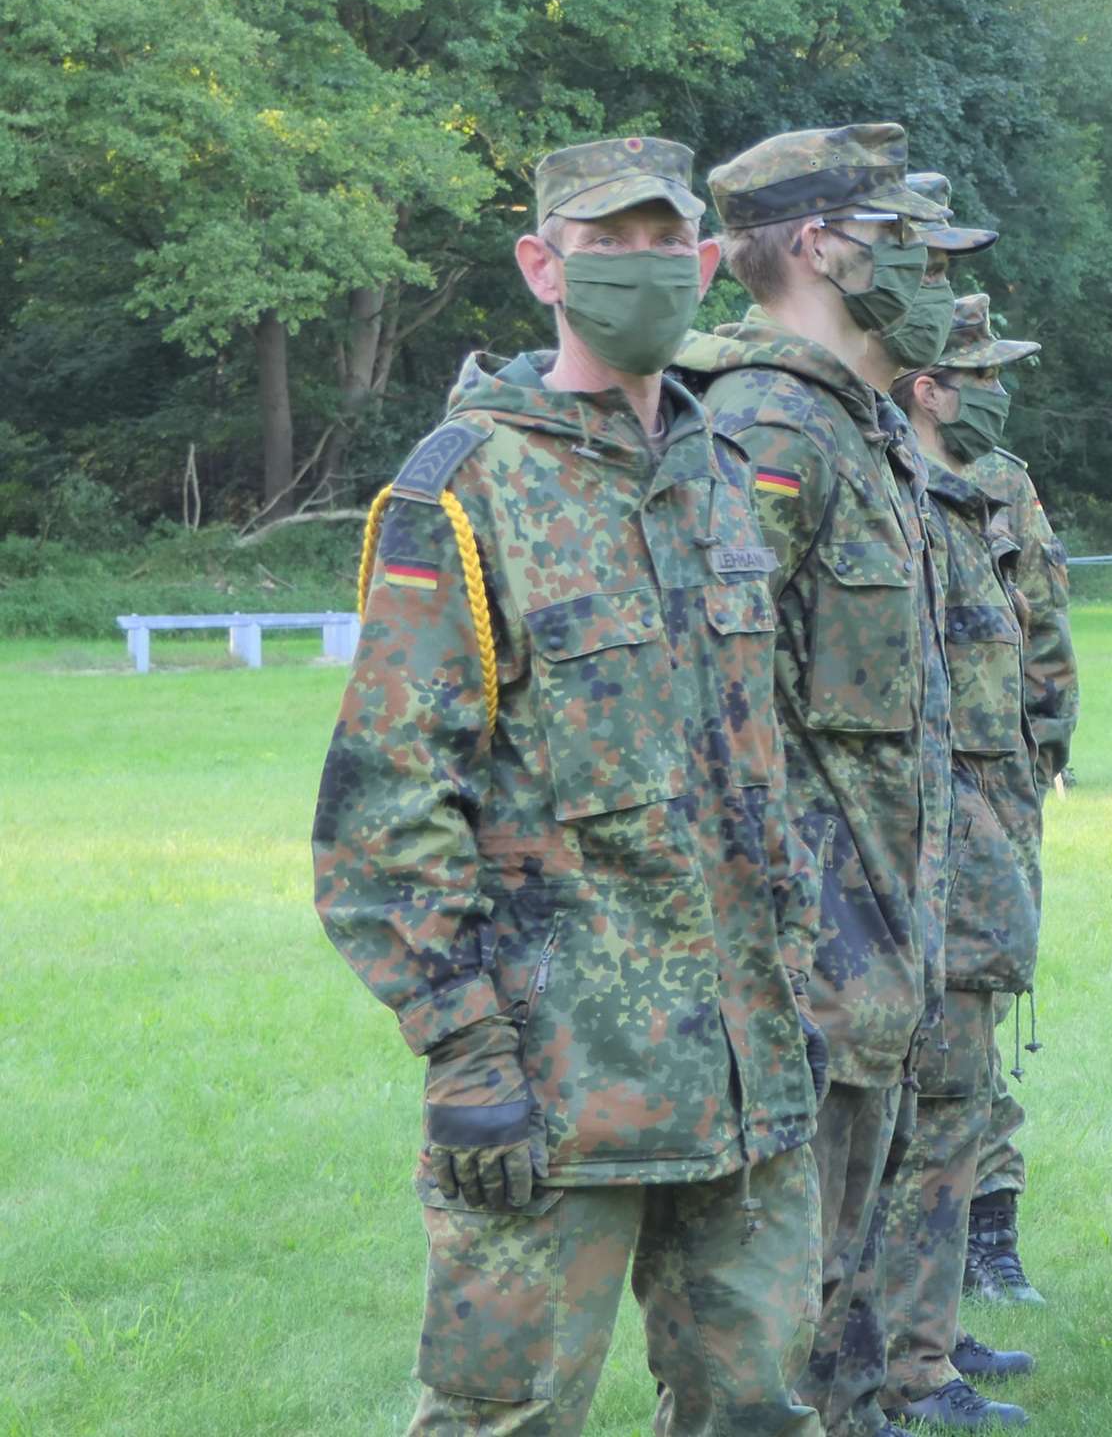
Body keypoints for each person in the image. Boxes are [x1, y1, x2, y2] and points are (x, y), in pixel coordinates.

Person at [312, 137, 825, 1436]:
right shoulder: (468, 490)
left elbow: (764, 756)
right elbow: (386, 804)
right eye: (613, 246)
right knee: (506, 1420)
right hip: (557, 1085)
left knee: (760, 1410)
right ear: (544, 265)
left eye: (670, 245)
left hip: (748, 1070)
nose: (647, 270)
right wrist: (464, 1044)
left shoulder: (721, 481)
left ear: (708, 263)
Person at [677, 124, 957, 1436]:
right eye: (893, 231)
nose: (920, 261)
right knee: (767, 1333)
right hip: (803, 950)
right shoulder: (763, 421)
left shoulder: (856, 426)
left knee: (839, 1301)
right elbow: (707, 691)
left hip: (870, 941)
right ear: (817, 244)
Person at [874, 284, 1045, 1431]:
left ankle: (926, 1331)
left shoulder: (973, 491)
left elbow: (1031, 635)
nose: (997, 395)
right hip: (917, 843)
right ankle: (905, 1363)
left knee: (961, 1094)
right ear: (928, 384)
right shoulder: (888, 490)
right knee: (920, 1104)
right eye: (979, 376)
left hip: (984, 825)